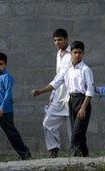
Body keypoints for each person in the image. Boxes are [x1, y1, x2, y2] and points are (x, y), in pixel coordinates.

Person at [31, 41, 94, 157]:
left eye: (80, 53)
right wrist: (40, 91)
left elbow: (90, 91)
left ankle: (76, 156)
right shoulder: (67, 69)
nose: (77, 55)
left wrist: (83, 107)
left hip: (81, 101)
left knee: (76, 132)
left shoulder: (85, 70)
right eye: (75, 52)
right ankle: (83, 156)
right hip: (70, 101)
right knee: (76, 132)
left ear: (83, 53)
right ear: (71, 53)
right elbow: (55, 83)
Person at [42, 28, 72, 158]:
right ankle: (53, 149)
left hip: (71, 96)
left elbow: (61, 77)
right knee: (47, 123)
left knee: (73, 129)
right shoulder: (59, 54)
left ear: (66, 39)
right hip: (58, 96)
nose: (57, 42)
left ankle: (78, 153)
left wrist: (43, 90)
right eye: (55, 40)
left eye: (60, 39)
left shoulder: (71, 54)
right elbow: (58, 76)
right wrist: (52, 95)